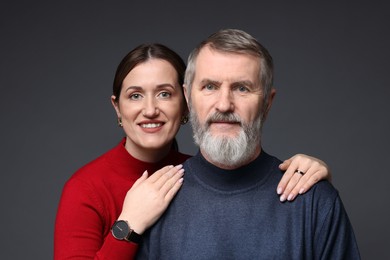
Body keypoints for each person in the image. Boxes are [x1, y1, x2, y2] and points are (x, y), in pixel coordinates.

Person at [54, 43, 332, 259]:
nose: (150, 109)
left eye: (164, 93)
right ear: (117, 107)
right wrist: (128, 225)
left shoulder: (195, 176)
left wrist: (314, 183)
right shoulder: (85, 188)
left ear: (186, 102)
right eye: (135, 95)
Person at [136, 29, 360, 259]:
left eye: (242, 88)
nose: (224, 105)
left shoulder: (315, 201)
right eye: (210, 87)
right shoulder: (152, 203)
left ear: (267, 103)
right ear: (188, 98)